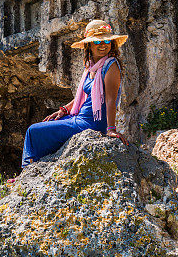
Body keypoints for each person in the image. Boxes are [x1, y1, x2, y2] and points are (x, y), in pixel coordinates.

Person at [21, 19, 128, 168]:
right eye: (97, 42)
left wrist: (111, 130)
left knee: (33, 131)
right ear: (89, 46)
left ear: (112, 43)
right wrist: (64, 109)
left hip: (90, 123)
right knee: (49, 123)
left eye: (107, 41)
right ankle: (38, 165)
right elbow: (84, 96)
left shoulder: (110, 66)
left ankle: (27, 169)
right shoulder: (91, 67)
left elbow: (111, 100)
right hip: (81, 118)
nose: (103, 45)